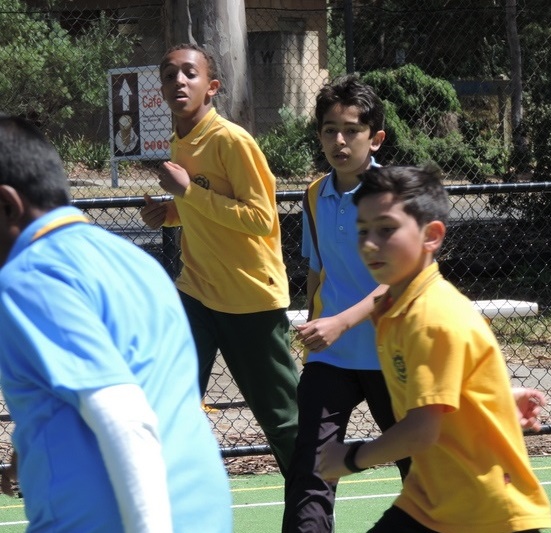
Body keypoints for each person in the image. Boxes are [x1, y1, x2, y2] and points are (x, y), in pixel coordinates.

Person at [0, 114, 232, 532]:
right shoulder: (135, 263)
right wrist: (29, 450)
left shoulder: (28, 277)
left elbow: (123, 417)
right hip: (203, 513)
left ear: (7, 205)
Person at [318, 164, 551, 533]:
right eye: (363, 230)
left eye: (386, 229)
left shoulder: (431, 316)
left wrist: (349, 457)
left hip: (485, 511)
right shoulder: (396, 307)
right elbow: (447, 390)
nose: (369, 243)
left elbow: (420, 431)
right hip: (430, 501)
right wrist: (494, 400)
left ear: (432, 236)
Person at [139, 43, 299, 475]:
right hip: (196, 294)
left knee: (285, 424)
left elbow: (260, 218)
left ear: (211, 87)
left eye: (189, 74)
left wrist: (189, 192)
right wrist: (170, 213)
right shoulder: (179, 140)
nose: (178, 81)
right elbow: (203, 208)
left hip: (250, 301)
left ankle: (312, 505)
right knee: (171, 407)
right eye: (169, 74)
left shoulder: (231, 139)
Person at [282, 75, 410, 532]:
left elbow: (402, 281)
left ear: (374, 137)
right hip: (330, 358)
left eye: (352, 130)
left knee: (423, 472)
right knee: (310, 471)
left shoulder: (393, 195)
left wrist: (341, 321)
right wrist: (319, 331)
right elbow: (319, 273)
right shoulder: (314, 195)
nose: (340, 140)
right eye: (329, 129)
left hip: (391, 352)